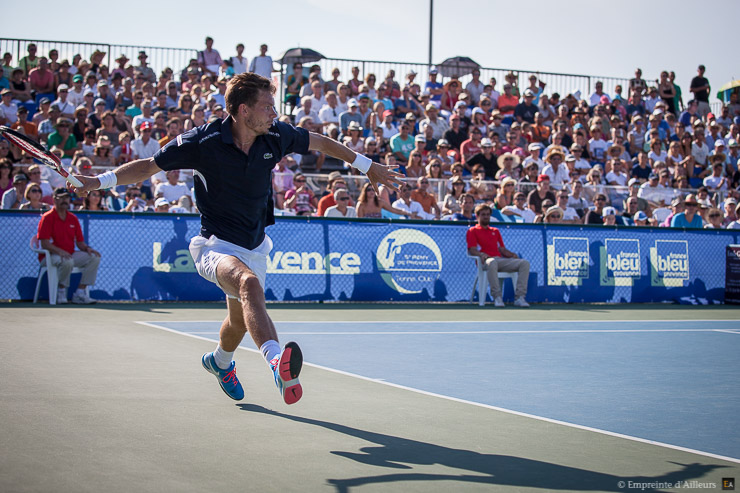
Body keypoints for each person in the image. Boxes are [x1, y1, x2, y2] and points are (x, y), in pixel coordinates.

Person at [71, 72, 402, 404]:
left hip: (255, 245)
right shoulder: (201, 142)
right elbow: (147, 167)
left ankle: (220, 362)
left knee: (239, 322)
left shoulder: (276, 134)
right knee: (248, 284)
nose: (274, 113)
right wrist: (96, 182)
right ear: (244, 110)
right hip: (215, 245)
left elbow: (321, 142)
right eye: (268, 106)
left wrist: (366, 165)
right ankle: (276, 363)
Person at [37, 187, 101, 304]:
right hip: (49, 257)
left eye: (66, 198)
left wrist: (88, 249)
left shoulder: (73, 218)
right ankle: (61, 291)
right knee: (67, 261)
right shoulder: (47, 218)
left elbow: (80, 243)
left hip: (69, 254)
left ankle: (80, 293)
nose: (64, 201)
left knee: (94, 258)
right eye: (61, 198)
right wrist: (60, 252)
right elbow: (44, 243)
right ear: (54, 200)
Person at [466, 203, 530, 307]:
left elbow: (502, 250)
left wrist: (513, 255)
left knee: (524, 263)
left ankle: (519, 298)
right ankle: (497, 297)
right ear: (477, 216)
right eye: (483, 214)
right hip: (485, 262)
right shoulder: (472, 231)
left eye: (488, 214)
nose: (486, 216)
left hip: (499, 260)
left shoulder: (495, 231)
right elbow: (472, 250)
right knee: (492, 262)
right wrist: (481, 254)